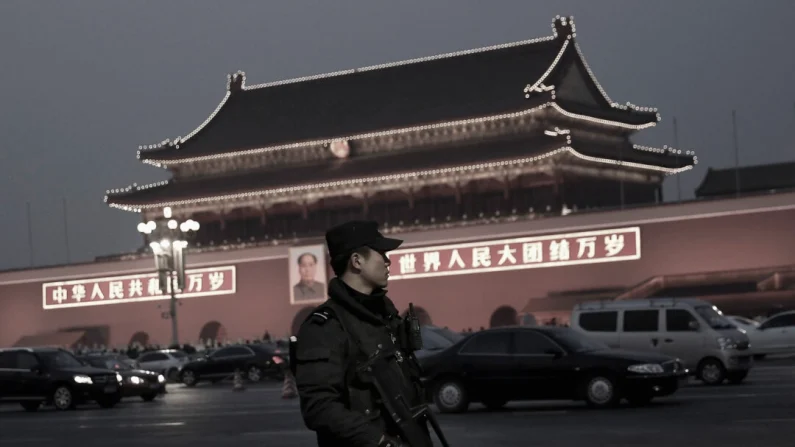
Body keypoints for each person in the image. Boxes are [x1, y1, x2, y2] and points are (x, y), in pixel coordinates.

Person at [293, 220, 431, 447]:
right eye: (382, 253)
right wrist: (380, 442)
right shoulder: (325, 327)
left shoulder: (386, 316)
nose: (388, 261)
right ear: (357, 261)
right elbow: (319, 407)